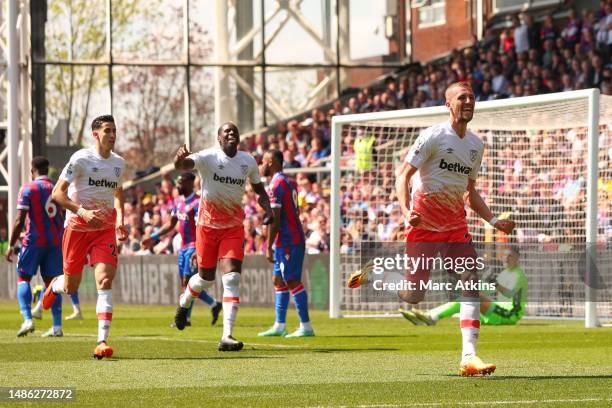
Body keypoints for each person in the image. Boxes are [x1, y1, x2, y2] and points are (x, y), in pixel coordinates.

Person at [395, 82, 515, 376]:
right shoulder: (434, 135)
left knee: (470, 279)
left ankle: (469, 356)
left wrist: (493, 220)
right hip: (422, 224)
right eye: (462, 97)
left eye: (472, 97)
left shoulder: (476, 145)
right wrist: (406, 211)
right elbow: (403, 175)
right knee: (414, 296)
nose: (469, 101)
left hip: (454, 227)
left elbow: (470, 194)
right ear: (448, 104)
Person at [173, 121, 274, 351]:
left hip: (232, 228)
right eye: (226, 131)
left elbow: (260, 191)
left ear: (238, 139)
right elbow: (183, 166)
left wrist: (268, 210)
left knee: (232, 279)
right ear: (219, 139)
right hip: (207, 227)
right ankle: (185, 301)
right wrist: (179, 158)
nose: (231, 132)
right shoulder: (208, 157)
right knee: (206, 279)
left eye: (234, 131)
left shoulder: (247, 161)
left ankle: (227, 335)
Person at [42, 115, 127, 360]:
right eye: (108, 130)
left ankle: (101, 341)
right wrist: (82, 212)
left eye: (114, 130)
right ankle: (54, 285)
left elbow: (119, 191)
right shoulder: (80, 159)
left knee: (104, 280)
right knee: (71, 286)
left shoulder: (119, 163)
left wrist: (120, 216)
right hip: (77, 229)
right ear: (96, 134)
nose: (112, 135)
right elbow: (57, 194)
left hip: (104, 230)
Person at [142, 172, 222, 326]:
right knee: (186, 285)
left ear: (189, 183)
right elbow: (171, 224)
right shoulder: (178, 202)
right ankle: (212, 304)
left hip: (194, 246)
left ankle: (186, 318)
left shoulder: (198, 202)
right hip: (183, 248)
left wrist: (200, 248)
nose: (176, 185)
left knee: (188, 281)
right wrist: (153, 237)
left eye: (179, 182)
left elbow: (202, 226)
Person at [5, 156, 65, 337]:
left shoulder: (28, 188)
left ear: (33, 171)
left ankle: (27, 319)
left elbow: (19, 219)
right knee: (52, 284)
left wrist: (11, 244)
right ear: (48, 169)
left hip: (33, 241)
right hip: (55, 242)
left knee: (23, 278)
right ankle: (57, 326)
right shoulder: (58, 187)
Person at [257, 150, 313, 338]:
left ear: (271, 162)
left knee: (292, 280)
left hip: (289, 239)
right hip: (287, 238)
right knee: (278, 280)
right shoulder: (288, 181)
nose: (261, 166)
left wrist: (268, 245)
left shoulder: (276, 185)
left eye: (263, 161)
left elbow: (276, 217)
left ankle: (305, 326)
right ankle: (279, 325)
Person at [401, 246, 527, 326]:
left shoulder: (518, 275)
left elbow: (508, 294)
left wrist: (492, 283)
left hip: (510, 314)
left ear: (518, 258)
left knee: (468, 299)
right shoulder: (505, 272)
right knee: (468, 296)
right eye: (504, 255)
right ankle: (427, 316)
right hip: (499, 309)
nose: (506, 258)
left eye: (510, 255)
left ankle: (430, 317)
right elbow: (490, 291)